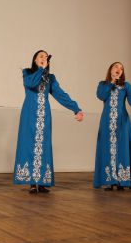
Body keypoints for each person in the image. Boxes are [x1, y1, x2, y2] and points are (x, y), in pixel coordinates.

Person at [14, 50, 84, 193]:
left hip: (44, 116)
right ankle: (32, 182)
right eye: (41, 56)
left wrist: (76, 109)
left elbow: (60, 95)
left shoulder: (50, 78)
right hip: (29, 115)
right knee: (28, 145)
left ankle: (42, 181)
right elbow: (31, 84)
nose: (44, 58)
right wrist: (41, 69)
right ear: (35, 60)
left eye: (46, 57)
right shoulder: (27, 73)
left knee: (43, 146)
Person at [93, 62, 131, 191]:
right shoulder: (103, 85)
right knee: (107, 149)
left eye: (121, 68)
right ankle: (110, 180)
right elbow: (101, 96)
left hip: (122, 121)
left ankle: (122, 181)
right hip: (107, 122)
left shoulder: (126, 86)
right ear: (110, 70)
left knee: (122, 149)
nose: (119, 69)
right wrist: (111, 82)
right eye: (116, 67)